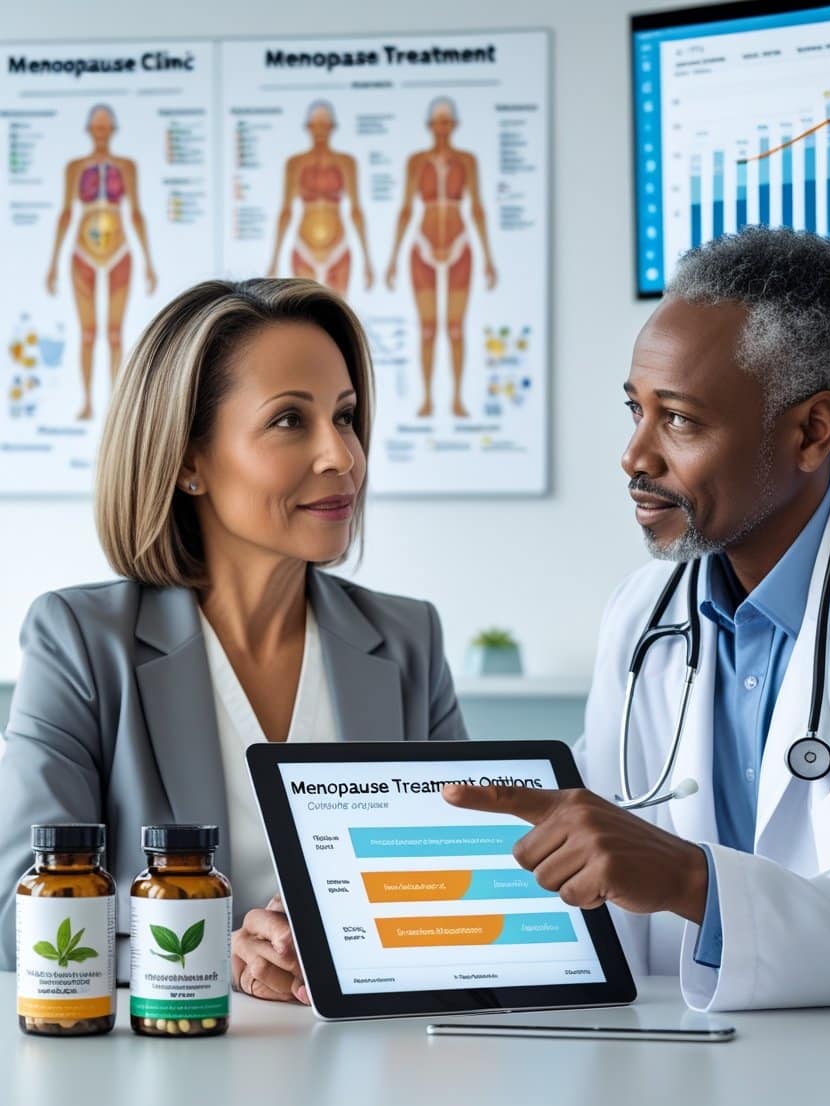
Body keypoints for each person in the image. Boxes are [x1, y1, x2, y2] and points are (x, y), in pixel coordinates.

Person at [0, 277, 465, 1000]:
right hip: (170, 1066)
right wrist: (222, 954)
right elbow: (17, 921)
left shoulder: (407, 641)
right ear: (188, 461)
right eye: (289, 421)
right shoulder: (82, 642)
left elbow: (459, 896)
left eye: (344, 418)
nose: (339, 456)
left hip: (373, 1065)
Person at [444, 226, 830, 1012]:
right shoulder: (643, 618)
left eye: (680, 421)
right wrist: (336, 927)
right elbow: (585, 860)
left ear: (811, 433)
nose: (633, 456)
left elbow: (658, 868)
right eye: (635, 410)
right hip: (681, 1081)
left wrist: (693, 882)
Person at [385, 97, 497, 419]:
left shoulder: (467, 160)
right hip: (422, 245)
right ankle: (428, 400)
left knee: (456, 328)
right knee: (428, 328)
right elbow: (406, 208)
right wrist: (392, 258)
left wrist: (488, 258)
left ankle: (457, 399)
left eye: (447, 122)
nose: (442, 128)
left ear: (454, 125)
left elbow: (477, 207)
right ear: (430, 126)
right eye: (437, 122)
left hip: (460, 244)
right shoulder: (416, 162)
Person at [45, 103, 157, 421]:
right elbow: (66, 213)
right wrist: (52, 262)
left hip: (119, 249)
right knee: (88, 333)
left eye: (106, 127)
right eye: (96, 127)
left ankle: (113, 404)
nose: (101, 133)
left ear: (113, 130)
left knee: (115, 333)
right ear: (89, 130)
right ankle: (87, 402)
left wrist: (149, 261)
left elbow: (136, 212)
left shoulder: (127, 166)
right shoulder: (75, 168)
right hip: (83, 251)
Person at [265, 101, 373, 298]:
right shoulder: (295, 163)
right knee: (302, 315)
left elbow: (356, 210)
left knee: (339, 319)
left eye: (325, 124)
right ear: (308, 127)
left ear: (333, 127)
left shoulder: (346, 162)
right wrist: (273, 260)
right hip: (303, 246)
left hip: (338, 246)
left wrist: (367, 260)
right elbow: (285, 211)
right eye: (316, 125)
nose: (320, 130)